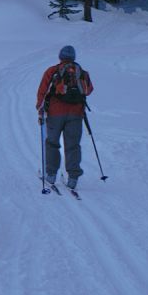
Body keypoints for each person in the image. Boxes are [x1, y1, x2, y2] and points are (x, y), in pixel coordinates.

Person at [36, 45, 94, 189]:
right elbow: (89, 90)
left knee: (52, 143)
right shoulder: (82, 72)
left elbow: (42, 91)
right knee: (73, 145)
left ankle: (51, 174)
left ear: (60, 57)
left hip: (55, 113)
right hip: (76, 114)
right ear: (74, 57)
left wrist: (40, 109)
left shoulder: (52, 71)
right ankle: (73, 178)